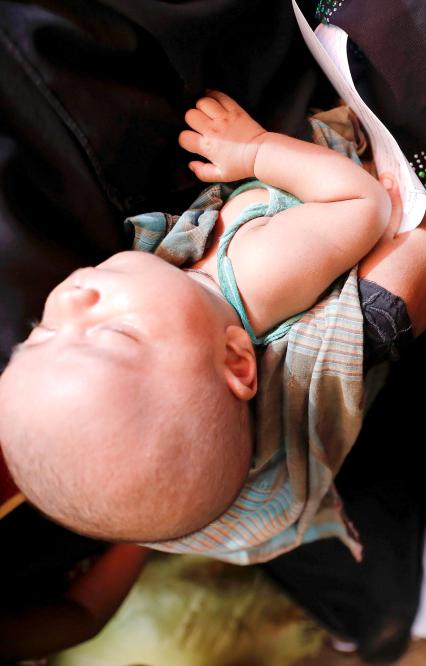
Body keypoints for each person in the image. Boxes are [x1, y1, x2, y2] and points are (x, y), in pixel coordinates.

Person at [0, 91, 396, 563]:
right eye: (113, 334)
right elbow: (362, 202)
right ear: (236, 360)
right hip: (367, 120)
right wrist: (256, 151)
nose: (70, 299)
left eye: (39, 331)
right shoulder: (258, 274)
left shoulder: (178, 288)